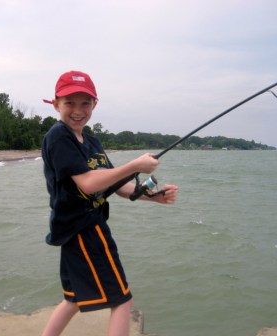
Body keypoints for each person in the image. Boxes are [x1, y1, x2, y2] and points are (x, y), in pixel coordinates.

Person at [41, 70, 178, 336]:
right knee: (122, 300)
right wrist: (136, 164)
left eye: (85, 103)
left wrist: (152, 196)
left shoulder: (92, 141)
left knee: (73, 299)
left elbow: (114, 184)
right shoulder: (59, 137)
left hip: (75, 229)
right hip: (83, 229)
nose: (78, 110)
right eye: (70, 102)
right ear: (56, 103)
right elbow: (88, 183)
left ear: (95, 105)